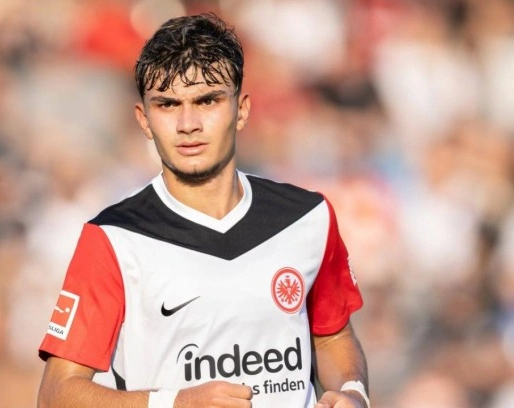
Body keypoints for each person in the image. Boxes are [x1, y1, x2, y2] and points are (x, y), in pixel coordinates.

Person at [36, 12, 369, 408]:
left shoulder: (307, 217)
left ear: (241, 110)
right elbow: (56, 395)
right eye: (167, 104)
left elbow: (332, 337)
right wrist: (173, 403)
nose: (188, 123)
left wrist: (353, 392)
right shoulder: (114, 238)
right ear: (144, 120)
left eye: (207, 100)